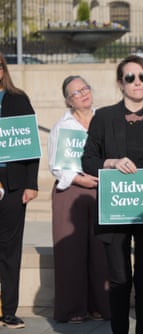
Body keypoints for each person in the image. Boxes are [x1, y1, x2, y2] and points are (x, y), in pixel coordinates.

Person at [81, 55, 143, 334]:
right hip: (115, 210)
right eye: (130, 77)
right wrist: (110, 163)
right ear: (120, 83)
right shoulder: (104, 117)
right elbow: (87, 160)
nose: (138, 82)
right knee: (120, 279)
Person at [47, 75, 110, 323]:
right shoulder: (61, 126)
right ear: (68, 101)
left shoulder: (104, 120)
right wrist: (78, 179)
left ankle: (101, 306)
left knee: (101, 251)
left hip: (102, 189)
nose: (83, 94)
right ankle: (72, 309)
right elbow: (55, 164)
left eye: (85, 88)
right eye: (76, 92)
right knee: (71, 253)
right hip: (71, 191)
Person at [0, 53, 39, 329]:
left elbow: (31, 145)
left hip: (13, 186)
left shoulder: (18, 99)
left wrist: (31, 183)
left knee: (9, 251)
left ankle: (9, 311)